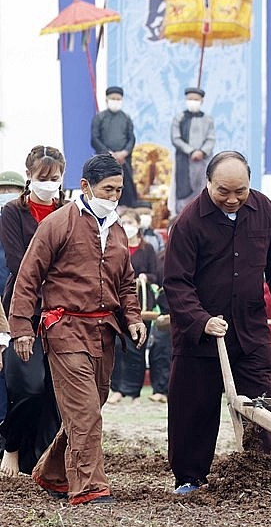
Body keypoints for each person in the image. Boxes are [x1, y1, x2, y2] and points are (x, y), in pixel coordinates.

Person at [9, 153, 146, 505]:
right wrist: (22, 326)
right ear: (85, 186)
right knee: (84, 411)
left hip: (105, 332)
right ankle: (89, 487)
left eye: (118, 190)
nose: (114, 196)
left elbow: (127, 284)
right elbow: (28, 276)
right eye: (107, 189)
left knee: (91, 406)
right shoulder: (58, 223)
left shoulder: (116, 229)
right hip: (64, 327)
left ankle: (53, 474)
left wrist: (132, 319)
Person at [163, 151, 271, 495]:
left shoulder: (263, 209)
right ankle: (190, 479)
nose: (233, 199)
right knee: (194, 408)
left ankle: (266, 476)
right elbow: (177, 282)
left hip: (251, 330)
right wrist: (201, 320)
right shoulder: (189, 221)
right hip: (202, 336)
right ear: (207, 183)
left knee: (260, 404)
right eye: (224, 191)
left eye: (241, 191)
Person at [0, 147, 66, 479]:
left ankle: (41, 460)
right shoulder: (13, 213)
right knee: (28, 384)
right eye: (43, 178)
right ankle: (12, 446)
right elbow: (17, 262)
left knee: (56, 391)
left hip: (63, 310)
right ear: (29, 176)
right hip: (25, 308)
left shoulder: (69, 211)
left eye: (55, 178)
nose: (50, 184)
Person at [108, 209, 159, 404]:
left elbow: (157, 275)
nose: (127, 226)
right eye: (125, 222)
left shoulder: (148, 249)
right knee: (118, 347)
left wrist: (145, 277)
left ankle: (133, 391)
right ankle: (117, 389)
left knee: (137, 348)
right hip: (117, 303)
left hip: (141, 304)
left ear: (138, 225)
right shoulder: (117, 245)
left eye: (131, 222)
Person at [0, 169, 24, 448]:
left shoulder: (24, 225)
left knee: (19, 382)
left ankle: (15, 444)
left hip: (21, 312)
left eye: (11, 189)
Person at [170, 87, 215, 216]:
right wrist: (191, 151)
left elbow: (211, 139)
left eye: (195, 99)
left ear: (202, 101)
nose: (192, 101)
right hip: (185, 161)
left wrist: (201, 152)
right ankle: (182, 217)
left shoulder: (208, 119)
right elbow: (176, 138)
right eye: (190, 99)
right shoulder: (179, 118)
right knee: (183, 190)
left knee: (202, 189)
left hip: (203, 161)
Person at [91, 86, 138, 207]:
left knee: (126, 189)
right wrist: (108, 154)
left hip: (124, 161)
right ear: (107, 99)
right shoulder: (99, 118)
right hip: (105, 161)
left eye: (118, 99)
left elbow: (131, 138)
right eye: (113, 98)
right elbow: (94, 139)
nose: (115, 101)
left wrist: (124, 153)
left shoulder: (126, 118)